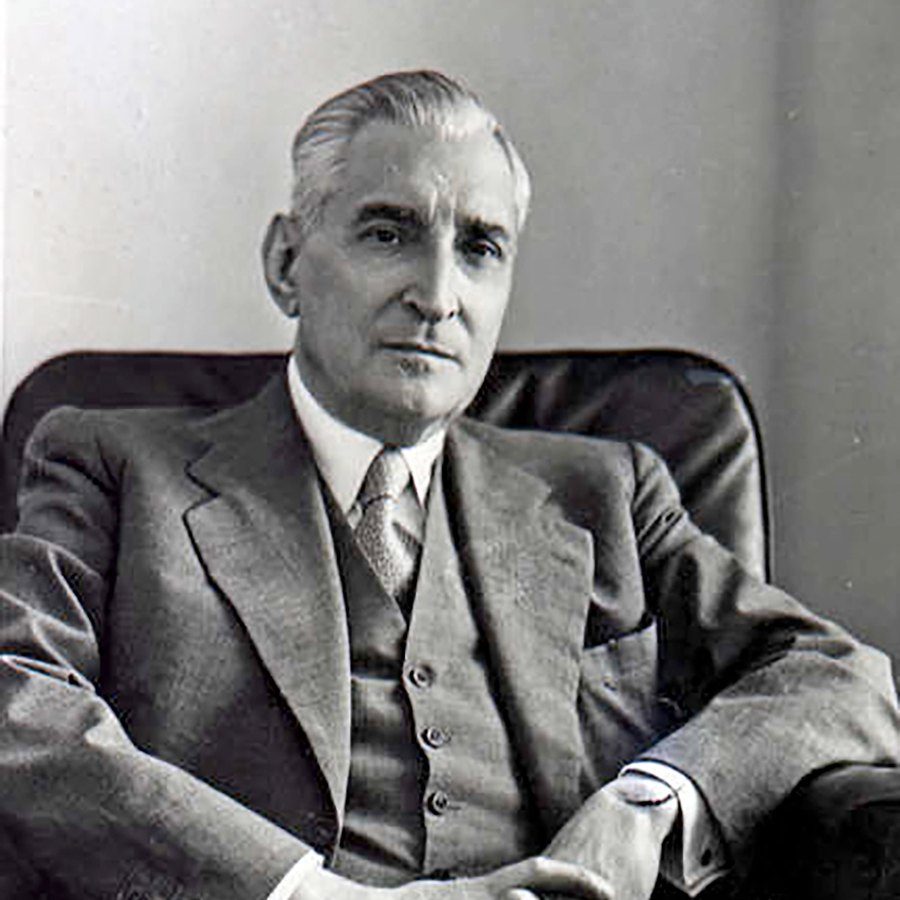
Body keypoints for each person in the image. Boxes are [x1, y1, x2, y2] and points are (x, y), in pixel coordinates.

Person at [0, 70, 897, 900]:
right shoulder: (113, 466)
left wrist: (647, 801)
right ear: (285, 263)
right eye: (388, 234)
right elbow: (16, 704)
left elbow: (838, 676)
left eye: (479, 247)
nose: (437, 294)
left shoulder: (606, 493)